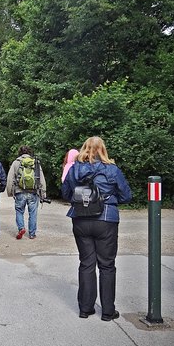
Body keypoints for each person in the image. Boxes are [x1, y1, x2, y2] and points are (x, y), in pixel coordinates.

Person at [61, 136, 132, 321]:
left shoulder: (74, 169)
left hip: (81, 219)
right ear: (103, 149)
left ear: (84, 148)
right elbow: (126, 195)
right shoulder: (112, 169)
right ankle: (108, 311)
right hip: (106, 219)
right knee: (107, 265)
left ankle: (85, 308)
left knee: (86, 263)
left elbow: (66, 194)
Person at [6, 146, 47, 239]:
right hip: (33, 192)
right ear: (30, 152)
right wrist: (43, 192)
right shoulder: (35, 162)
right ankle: (32, 234)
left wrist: (9, 192)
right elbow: (41, 178)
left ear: (20, 153)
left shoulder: (16, 162)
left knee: (19, 211)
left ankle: (21, 228)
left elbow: (10, 178)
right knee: (33, 213)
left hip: (20, 191)